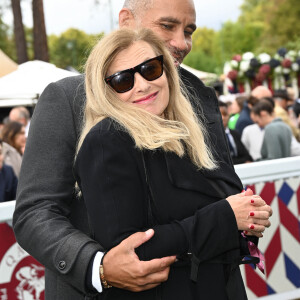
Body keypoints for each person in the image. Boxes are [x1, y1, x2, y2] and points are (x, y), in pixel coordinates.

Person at [13, 1, 272, 299]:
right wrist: (97, 268)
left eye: (189, 31)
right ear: (126, 20)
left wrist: (242, 217)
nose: (181, 42)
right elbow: (35, 212)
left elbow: (216, 191)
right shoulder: (68, 98)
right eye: (167, 26)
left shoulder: (198, 97)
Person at [76, 27, 270, 299]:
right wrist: (225, 217)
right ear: (105, 92)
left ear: (167, 70)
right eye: (122, 80)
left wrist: (247, 216)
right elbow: (129, 253)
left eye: (150, 69)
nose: (142, 85)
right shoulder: (107, 141)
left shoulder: (187, 130)